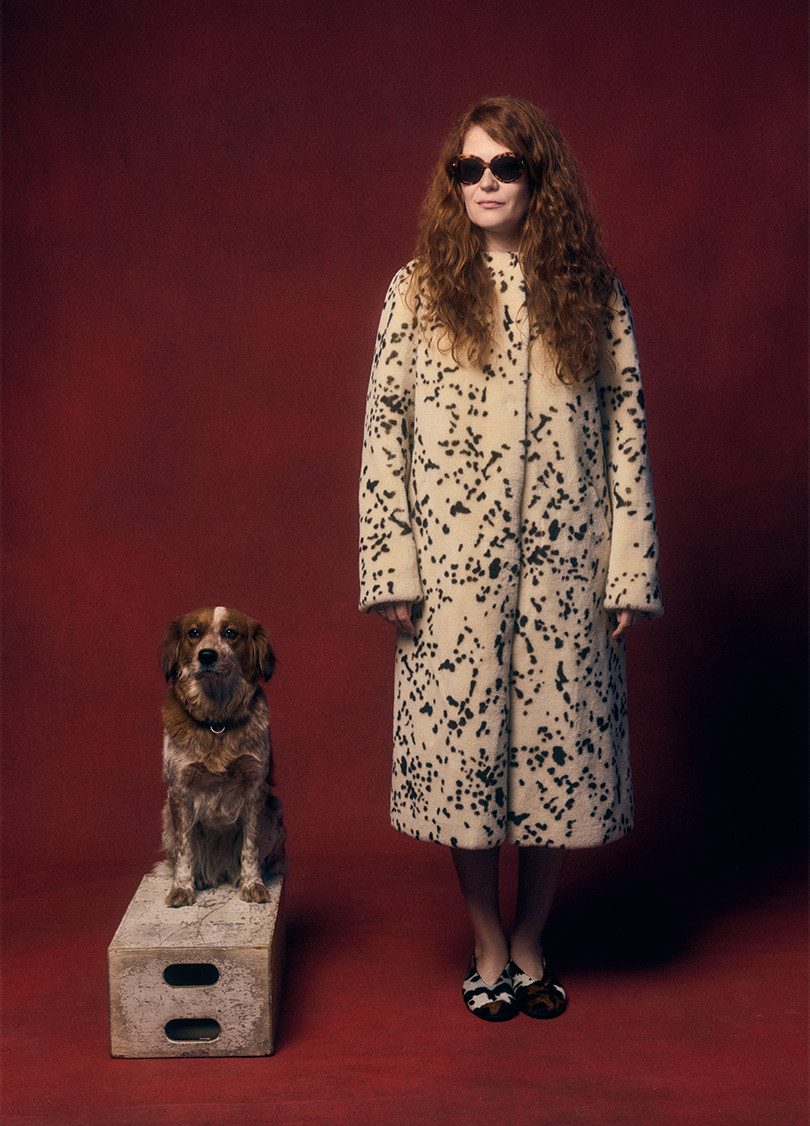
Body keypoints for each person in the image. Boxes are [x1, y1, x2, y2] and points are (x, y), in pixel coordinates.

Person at [358, 96, 662, 1022]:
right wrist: (392, 565)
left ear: (539, 179)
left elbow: (626, 431)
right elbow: (384, 431)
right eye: (469, 168)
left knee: (553, 758)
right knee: (467, 764)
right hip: (454, 572)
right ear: (452, 182)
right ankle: (486, 940)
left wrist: (630, 569)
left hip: (569, 566)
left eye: (505, 166)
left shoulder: (590, 288)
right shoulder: (417, 291)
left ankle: (531, 938)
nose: (485, 182)